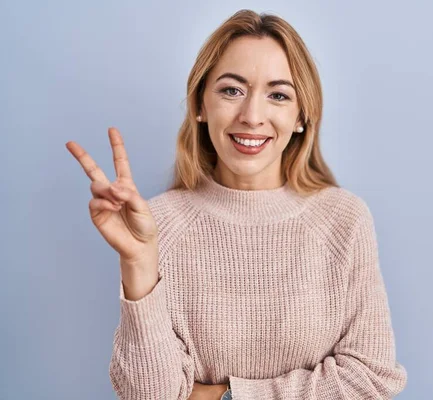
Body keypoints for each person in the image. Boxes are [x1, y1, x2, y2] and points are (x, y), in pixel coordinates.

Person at [66, 9, 407, 400]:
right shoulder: (157, 223)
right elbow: (149, 395)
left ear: (301, 116)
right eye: (231, 90)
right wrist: (138, 263)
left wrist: (222, 395)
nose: (252, 116)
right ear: (199, 105)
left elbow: (371, 379)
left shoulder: (344, 220)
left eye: (278, 95)